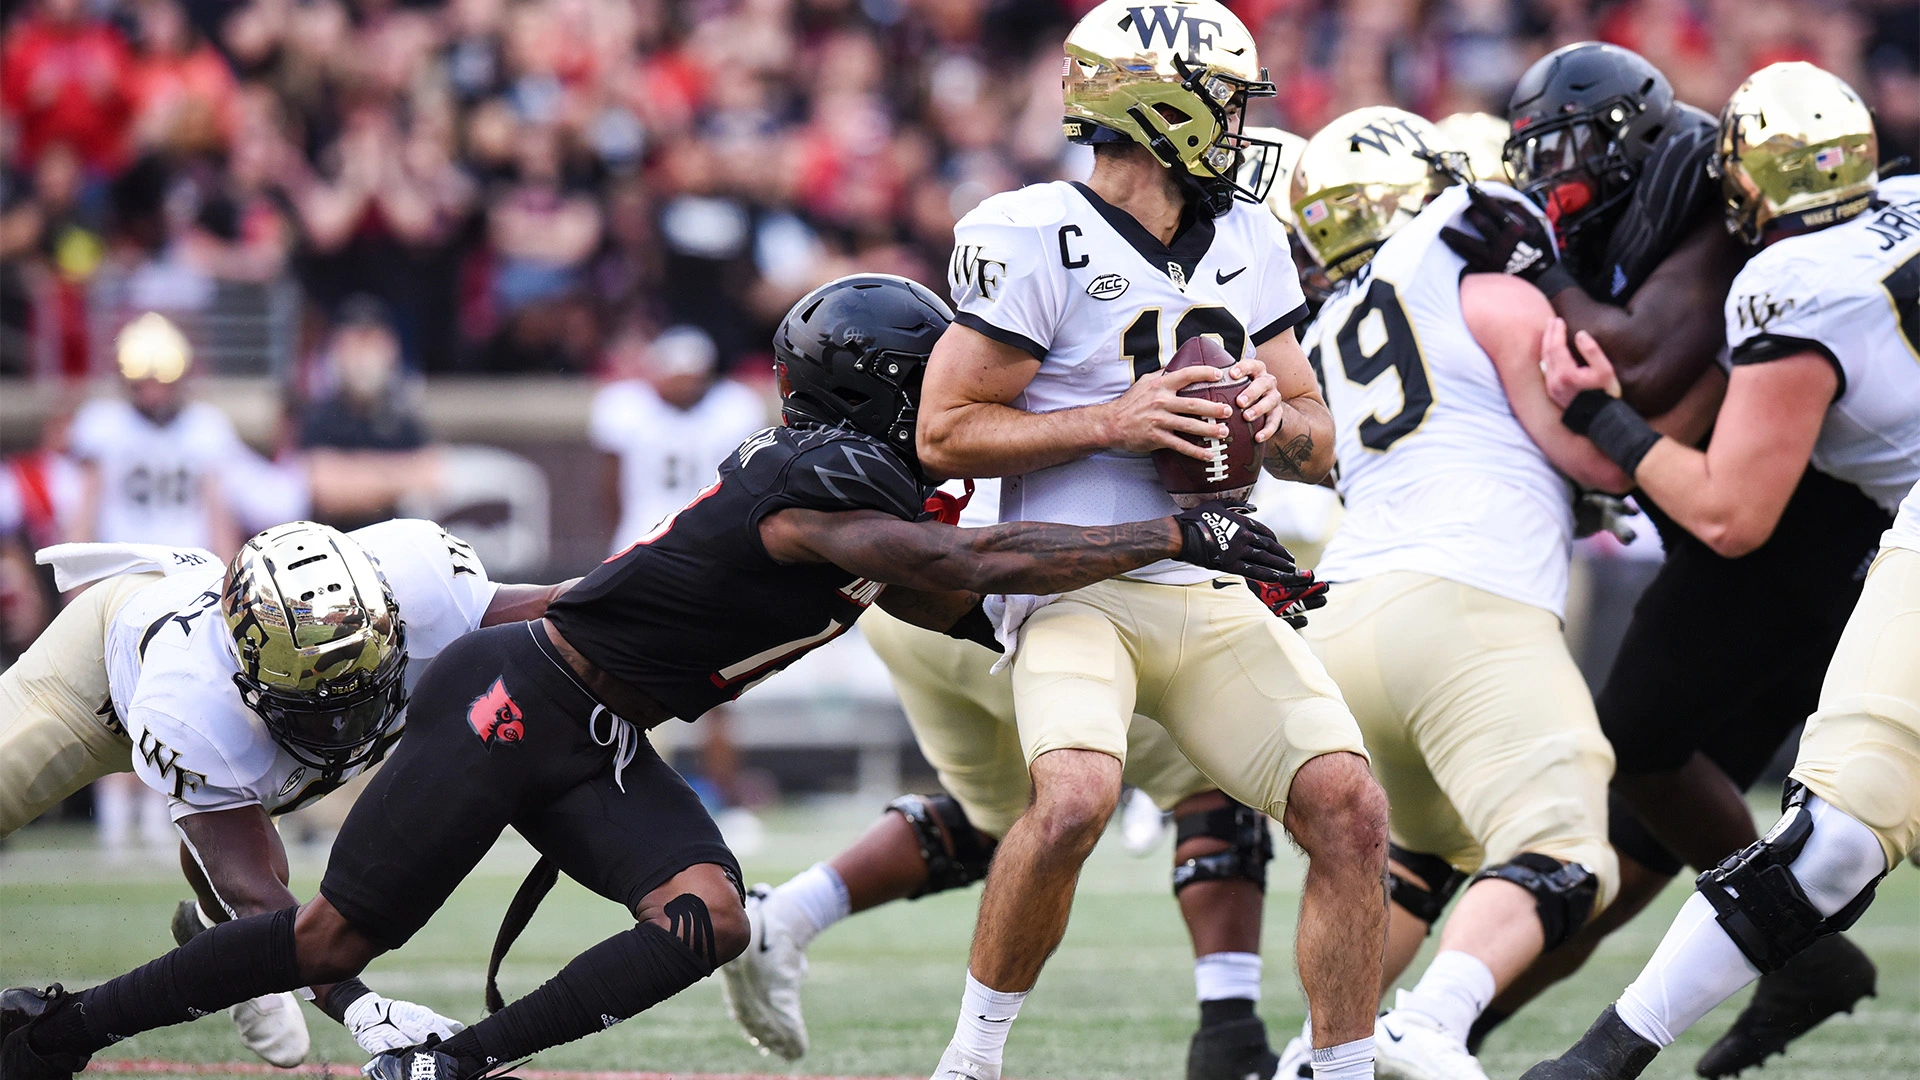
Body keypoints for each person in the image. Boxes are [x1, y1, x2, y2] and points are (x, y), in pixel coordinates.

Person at [0, 273, 1304, 1080]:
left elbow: (961, 594)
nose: (959, 392)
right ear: (883, 391)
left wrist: (1165, 604)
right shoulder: (820, 487)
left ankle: (454, 1064)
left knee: (709, 915)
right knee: (339, 935)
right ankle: (62, 1030)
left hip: (603, 727)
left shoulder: (854, 490)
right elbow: (947, 559)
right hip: (525, 695)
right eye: (936, 379)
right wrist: (1171, 528)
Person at [915, 4, 1390, 1077]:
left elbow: (1318, 440)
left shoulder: (1251, 237)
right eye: (1224, 100)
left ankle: (1346, 1068)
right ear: (1155, 103)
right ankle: (972, 1061)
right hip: (1075, 579)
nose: (1239, 125)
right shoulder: (1032, 229)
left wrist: (1281, 422)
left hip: (1206, 576)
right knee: (1076, 797)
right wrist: (1111, 420)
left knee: (1350, 809)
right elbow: (944, 437)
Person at [1445, 43, 1888, 1075]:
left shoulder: (1733, 224)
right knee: (1633, 835)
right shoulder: (1710, 213)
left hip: (1793, 535)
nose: (1546, 180)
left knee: (1633, 755)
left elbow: (1642, 382)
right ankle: (1447, 1035)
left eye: (1561, 153)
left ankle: (1782, 947)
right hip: (1803, 535)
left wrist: (1540, 283)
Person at [1280, 106, 1667, 1080]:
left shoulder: (1326, 330)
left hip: (1346, 623)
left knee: (1418, 860)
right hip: (1462, 605)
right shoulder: (1483, 284)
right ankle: (1432, 1022)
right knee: (1571, 851)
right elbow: (1595, 456)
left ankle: (1308, 1057)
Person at [722, 484, 1314, 1080]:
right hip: (1025, 595)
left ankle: (789, 916)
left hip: (906, 593)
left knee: (1001, 825)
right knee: (1209, 785)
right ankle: (1228, 1036)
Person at [0, 513, 569, 1065]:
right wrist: (359, 1007)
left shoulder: (418, 575)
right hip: (90, 687)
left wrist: (648, 580)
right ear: (249, 678)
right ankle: (234, 948)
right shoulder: (194, 704)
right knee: (247, 860)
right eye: (322, 712)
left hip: (235, 716)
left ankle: (214, 935)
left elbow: (567, 609)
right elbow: (253, 888)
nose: (346, 729)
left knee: (242, 830)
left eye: (362, 696)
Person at [70, 311, 246, 852]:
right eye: (141, 379)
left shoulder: (205, 429)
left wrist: (230, 577)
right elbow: (88, 505)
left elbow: (218, 511)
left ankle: (157, 811)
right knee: (115, 696)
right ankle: (116, 818)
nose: (150, 391)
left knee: (171, 696)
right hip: (123, 574)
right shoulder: (104, 424)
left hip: (184, 575)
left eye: (159, 378)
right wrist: (76, 576)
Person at [592, 324, 767, 555]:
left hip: (710, 534)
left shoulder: (734, 407)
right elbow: (610, 487)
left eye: (690, 376)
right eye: (676, 376)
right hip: (642, 531)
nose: (684, 385)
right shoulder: (626, 406)